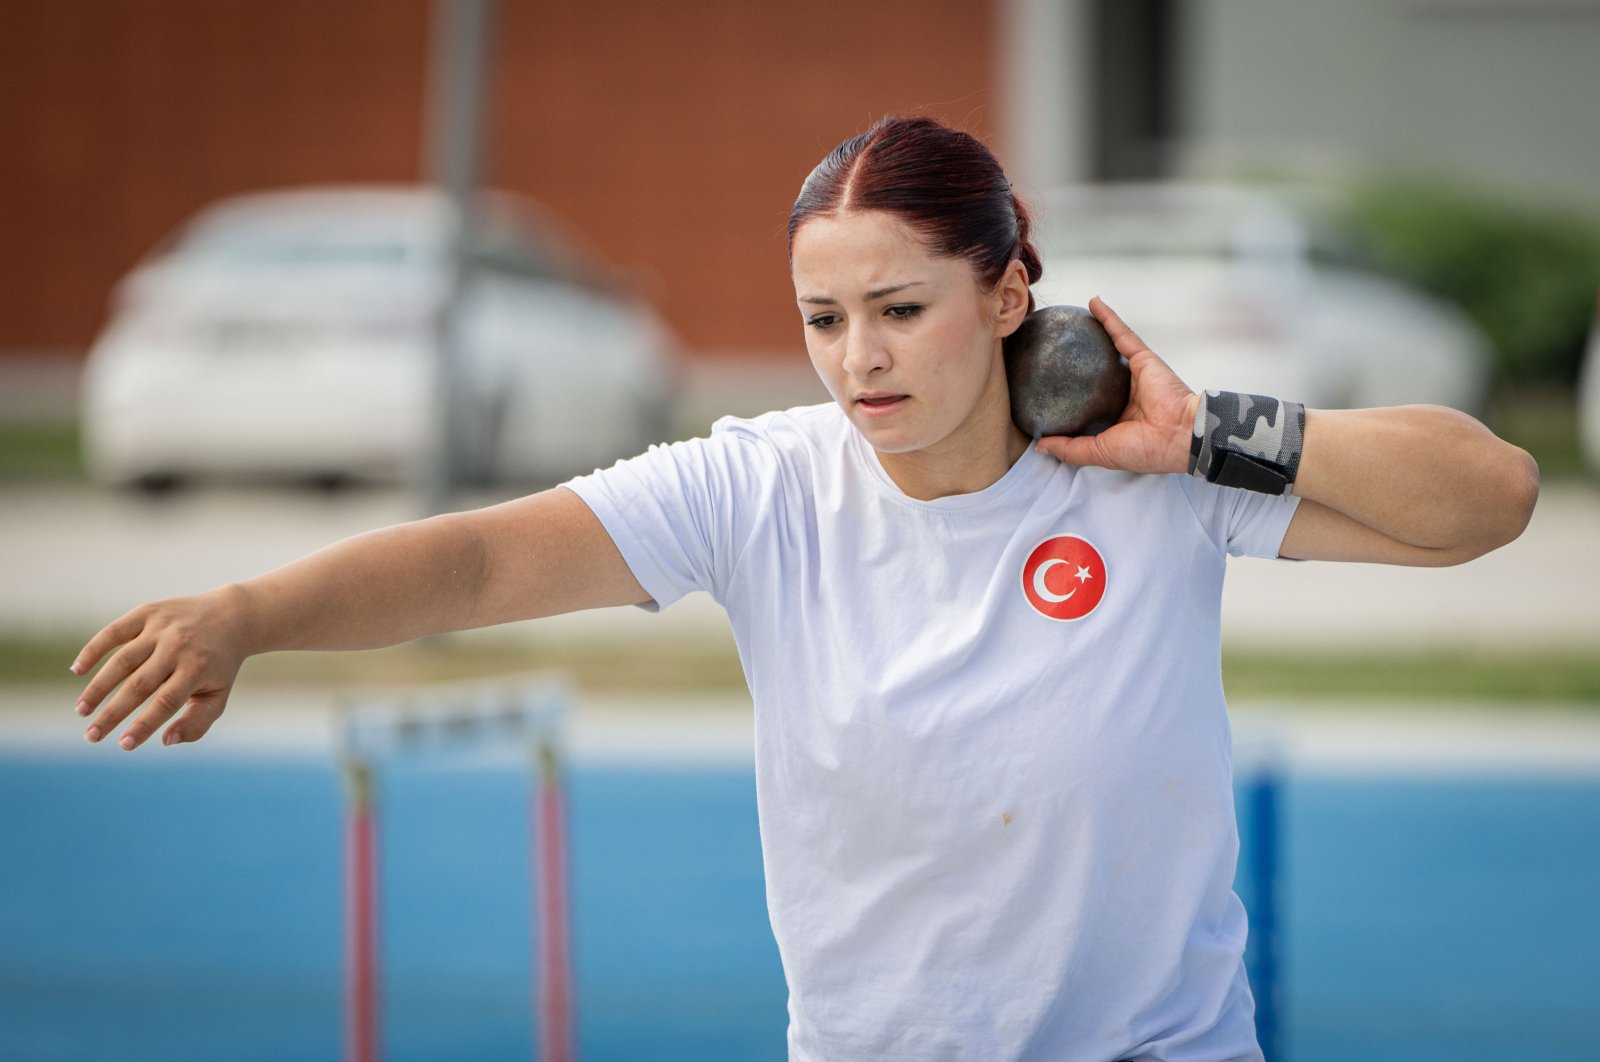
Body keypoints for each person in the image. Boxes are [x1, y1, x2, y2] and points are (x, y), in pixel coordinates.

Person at [71, 115, 1539, 1061]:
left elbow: (1490, 500)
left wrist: (1206, 426)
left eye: (900, 311)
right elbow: (476, 553)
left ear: (1012, 295)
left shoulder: (1144, 472)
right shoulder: (759, 483)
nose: (860, 360)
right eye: (824, 320)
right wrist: (250, 612)